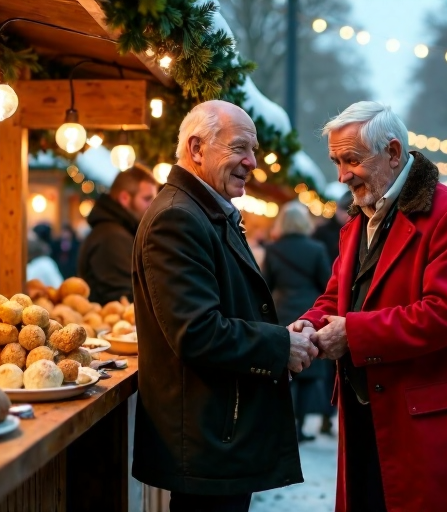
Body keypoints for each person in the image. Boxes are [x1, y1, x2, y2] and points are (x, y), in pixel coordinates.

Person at [294, 101, 447, 512]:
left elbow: (446, 314)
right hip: (371, 413)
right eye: (336, 162)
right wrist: (308, 324)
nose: (342, 176)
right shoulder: (361, 218)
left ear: (392, 153)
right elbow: (338, 294)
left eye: (351, 160)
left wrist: (352, 334)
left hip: (431, 421)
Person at [131, 100, 317, 511]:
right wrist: (281, 345)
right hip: (207, 436)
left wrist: (283, 338)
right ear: (196, 149)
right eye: (239, 148)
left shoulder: (204, 211)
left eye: (252, 151)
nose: (252, 162)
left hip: (217, 432)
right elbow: (197, 332)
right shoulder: (178, 218)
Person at [262, 201, 333, 442]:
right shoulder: (316, 249)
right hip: (309, 312)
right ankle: (301, 427)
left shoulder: (273, 249)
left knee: (283, 371)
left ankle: (283, 424)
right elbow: (327, 283)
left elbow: (266, 284)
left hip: (281, 312)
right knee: (308, 373)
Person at [78, 165, 158, 304]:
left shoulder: (115, 231)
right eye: (147, 199)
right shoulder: (112, 237)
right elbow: (124, 298)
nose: (153, 206)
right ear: (124, 198)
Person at [310, 191, 352, 435]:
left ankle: (333, 415)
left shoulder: (355, 230)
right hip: (327, 304)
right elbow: (327, 280)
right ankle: (327, 416)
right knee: (327, 370)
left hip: (337, 305)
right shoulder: (323, 235)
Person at [312, 191, 353, 264]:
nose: (348, 215)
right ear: (337, 209)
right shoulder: (322, 231)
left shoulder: (356, 231)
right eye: (345, 209)